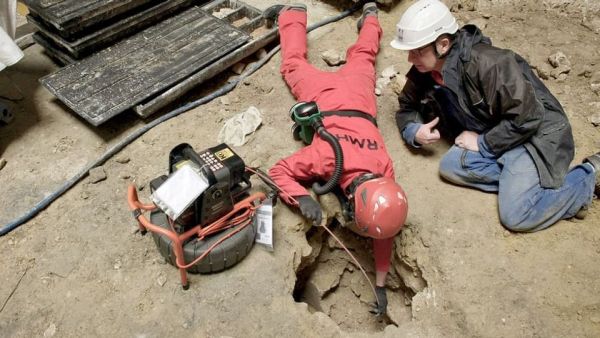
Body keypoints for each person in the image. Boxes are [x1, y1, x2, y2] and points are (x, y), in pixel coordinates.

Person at [390, 0, 599, 232]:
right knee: (450, 166)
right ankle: (522, 184)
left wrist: (483, 143)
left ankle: (587, 175)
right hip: (500, 132)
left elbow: (529, 117)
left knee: (516, 215)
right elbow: (407, 106)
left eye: (417, 51)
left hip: (534, 135)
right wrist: (413, 131)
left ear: (443, 44)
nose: (410, 59)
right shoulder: (426, 70)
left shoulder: (491, 64)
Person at [265, 3, 408, 316]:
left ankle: (369, 16)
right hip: (327, 95)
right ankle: (292, 15)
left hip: (359, 96)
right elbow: (279, 171)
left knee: (364, 57)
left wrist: (381, 284)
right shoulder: (328, 157)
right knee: (291, 64)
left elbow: (384, 226)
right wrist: (303, 199)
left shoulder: (383, 170)